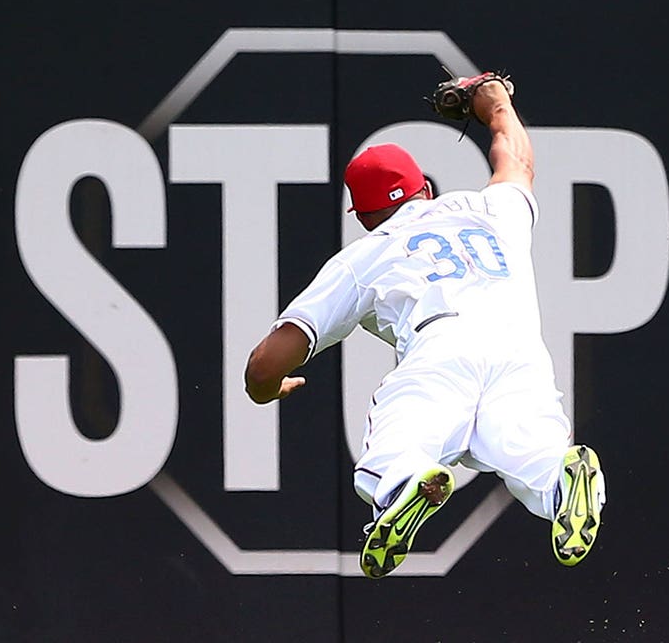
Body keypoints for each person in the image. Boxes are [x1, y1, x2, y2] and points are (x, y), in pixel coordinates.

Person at [243, 79, 604, 579]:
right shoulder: (491, 209)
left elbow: (266, 362)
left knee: (398, 439)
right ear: (426, 190)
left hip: (441, 348)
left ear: (364, 216)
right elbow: (516, 161)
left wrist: (264, 391)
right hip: (520, 351)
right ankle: (559, 480)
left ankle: (404, 482)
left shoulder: (366, 254)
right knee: (522, 445)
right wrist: (495, 102)